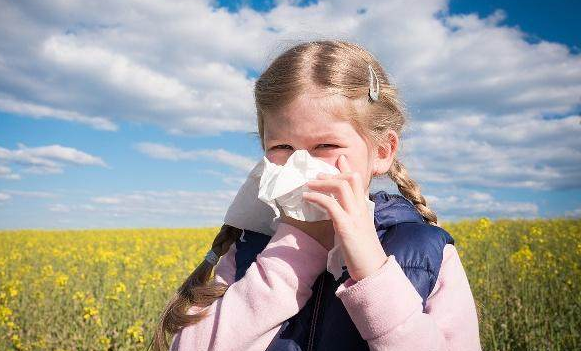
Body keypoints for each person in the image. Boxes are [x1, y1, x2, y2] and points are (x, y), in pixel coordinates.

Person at [149, 40, 482, 351]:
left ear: (381, 151)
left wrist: (372, 270)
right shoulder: (249, 248)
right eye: (282, 147)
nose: (300, 165)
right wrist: (295, 248)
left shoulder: (425, 252)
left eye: (325, 146)